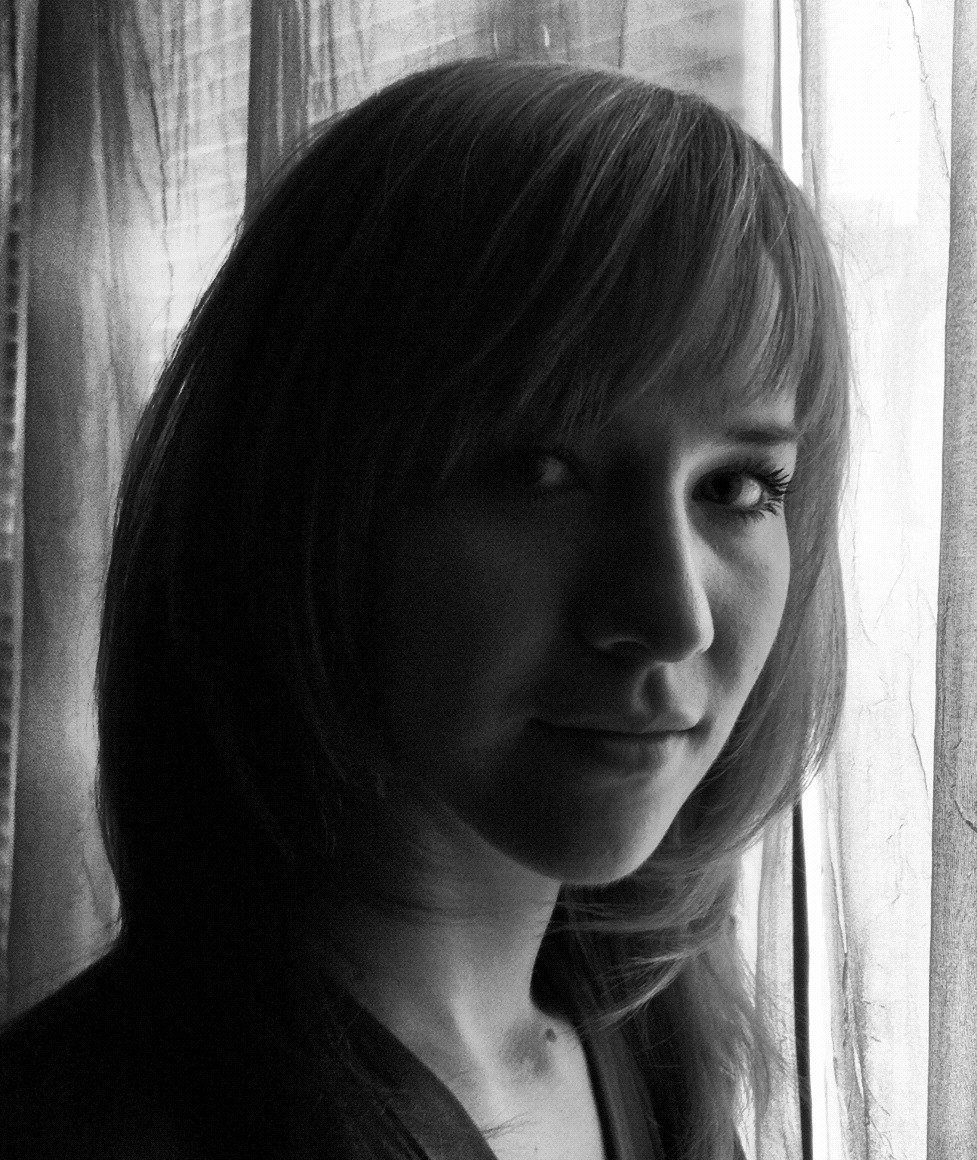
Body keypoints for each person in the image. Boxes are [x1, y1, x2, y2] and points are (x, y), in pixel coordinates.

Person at [0, 57, 849, 1160]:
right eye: (540, 469)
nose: (673, 615)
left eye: (737, 486)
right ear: (298, 495)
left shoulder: (653, 1049)